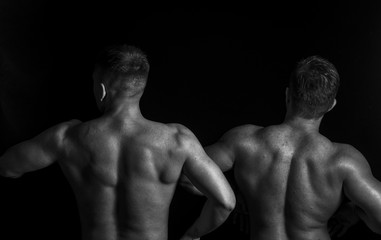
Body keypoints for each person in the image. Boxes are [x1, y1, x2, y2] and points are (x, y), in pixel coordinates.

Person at [0, 45, 236, 240]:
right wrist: (192, 235)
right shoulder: (177, 140)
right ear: (140, 87)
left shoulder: (66, 137)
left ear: (101, 89)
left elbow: (8, 166)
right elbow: (225, 202)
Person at [185, 56, 381, 240]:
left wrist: (231, 198)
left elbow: (186, 176)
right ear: (331, 105)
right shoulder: (344, 161)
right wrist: (356, 211)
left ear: (287, 94)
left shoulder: (244, 142)